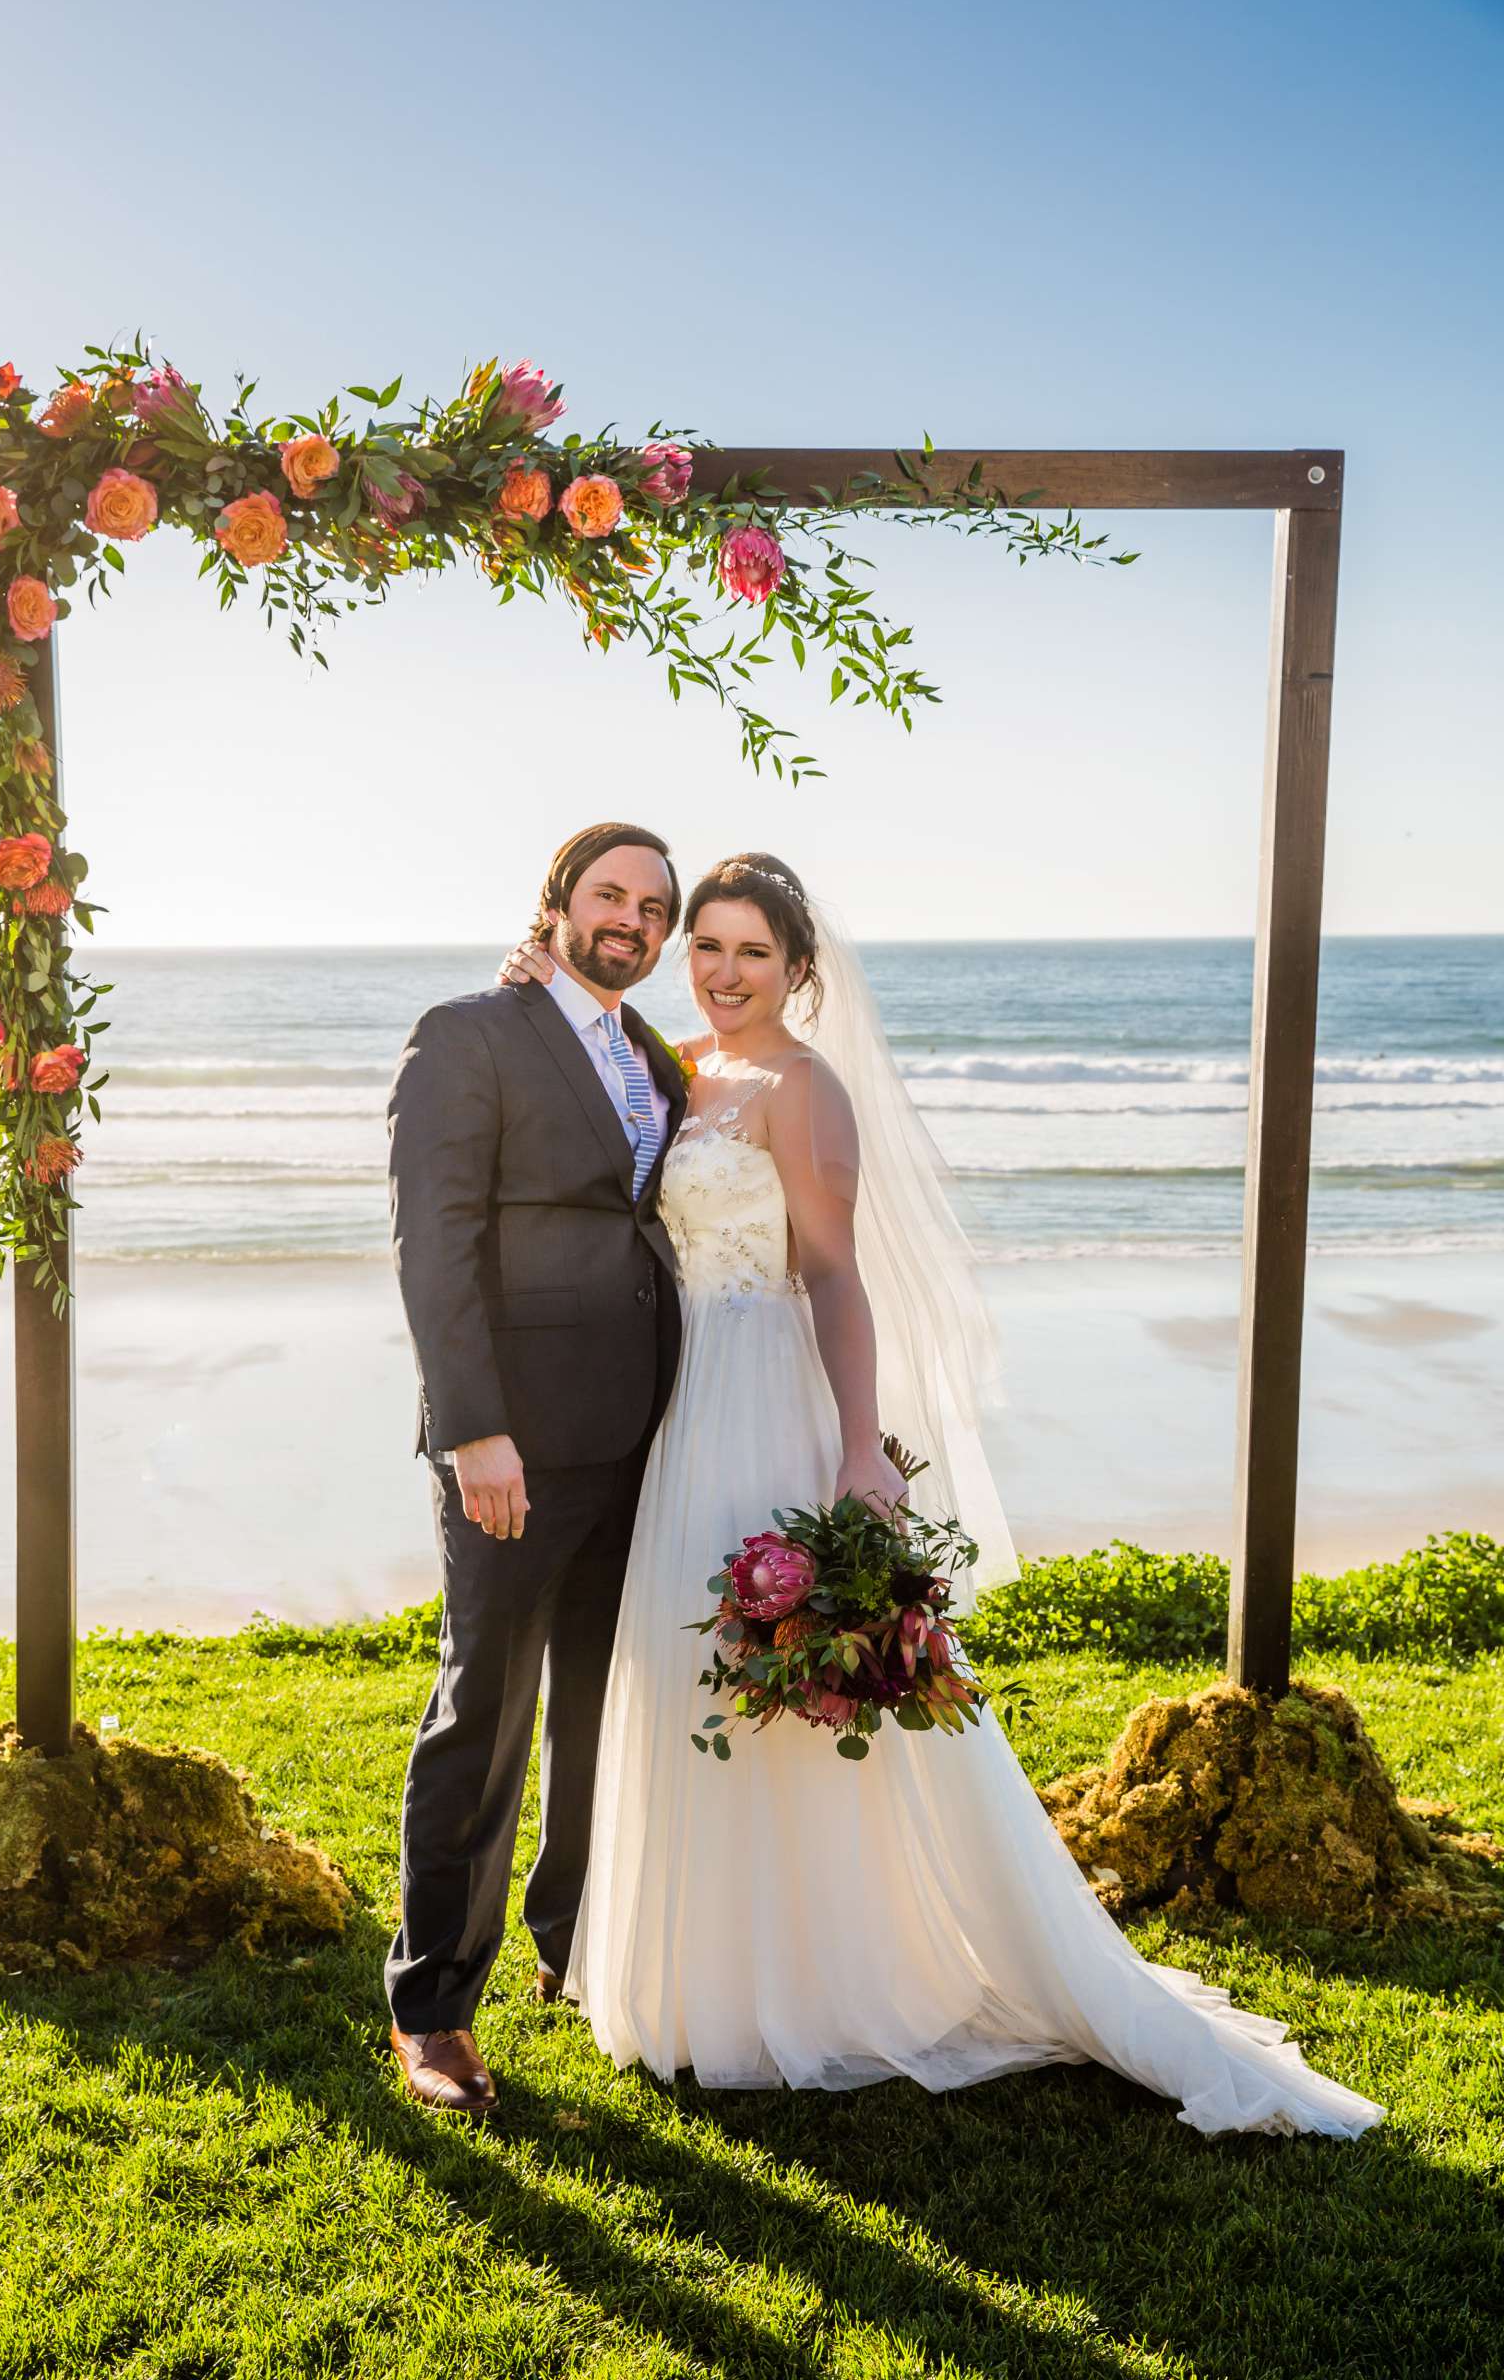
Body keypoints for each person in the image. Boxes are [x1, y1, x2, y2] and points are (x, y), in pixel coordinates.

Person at [495, 852, 1383, 2137]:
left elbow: (838, 1280)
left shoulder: (804, 1091)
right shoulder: (677, 1064)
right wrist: (537, 983)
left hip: (763, 1394)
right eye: (708, 946)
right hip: (675, 1404)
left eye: (753, 951)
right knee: (687, 1678)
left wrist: (861, 1450)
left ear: (801, 971)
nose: (725, 971)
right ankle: (696, 1976)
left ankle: (814, 1981)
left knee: (780, 1695)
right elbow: (587, 1051)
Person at [383, 821, 688, 2118]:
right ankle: (434, 2006)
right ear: (557, 902)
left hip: (638, 1433)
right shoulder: (469, 1032)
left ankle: (577, 1948)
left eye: (653, 907)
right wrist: (471, 1430)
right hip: (512, 1442)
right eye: (609, 893)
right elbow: (432, 1242)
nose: (631, 918)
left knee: (596, 1714)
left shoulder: (653, 1056)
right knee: (485, 1712)